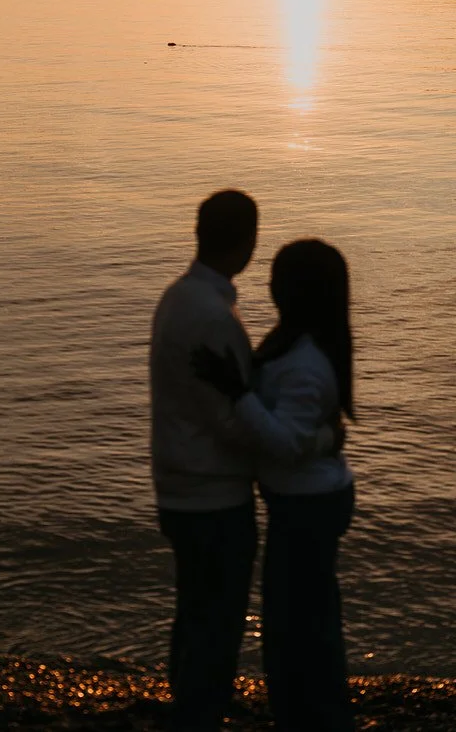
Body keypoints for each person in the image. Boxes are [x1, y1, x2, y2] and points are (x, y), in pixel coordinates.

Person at [150, 193, 336, 732]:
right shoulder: (214, 316)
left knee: (195, 613)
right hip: (212, 493)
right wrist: (313, 440)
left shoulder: (177, 298)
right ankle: (198, 715)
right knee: (217, 623)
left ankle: (189, 707)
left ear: (198, 233)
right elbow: (233, 420)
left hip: (179, 483)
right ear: (249, 243)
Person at [193, 239, 356, 732]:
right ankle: (311, 713)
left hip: (309, 508)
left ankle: (314, 716)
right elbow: (299, 437)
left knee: (297, 625)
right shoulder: (296, 342)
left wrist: (236, 392)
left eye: (278, 279)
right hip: (304, 503)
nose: (269, 286)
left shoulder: (305, 361)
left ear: (299, 291)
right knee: (304, 619)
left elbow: (285, 443)